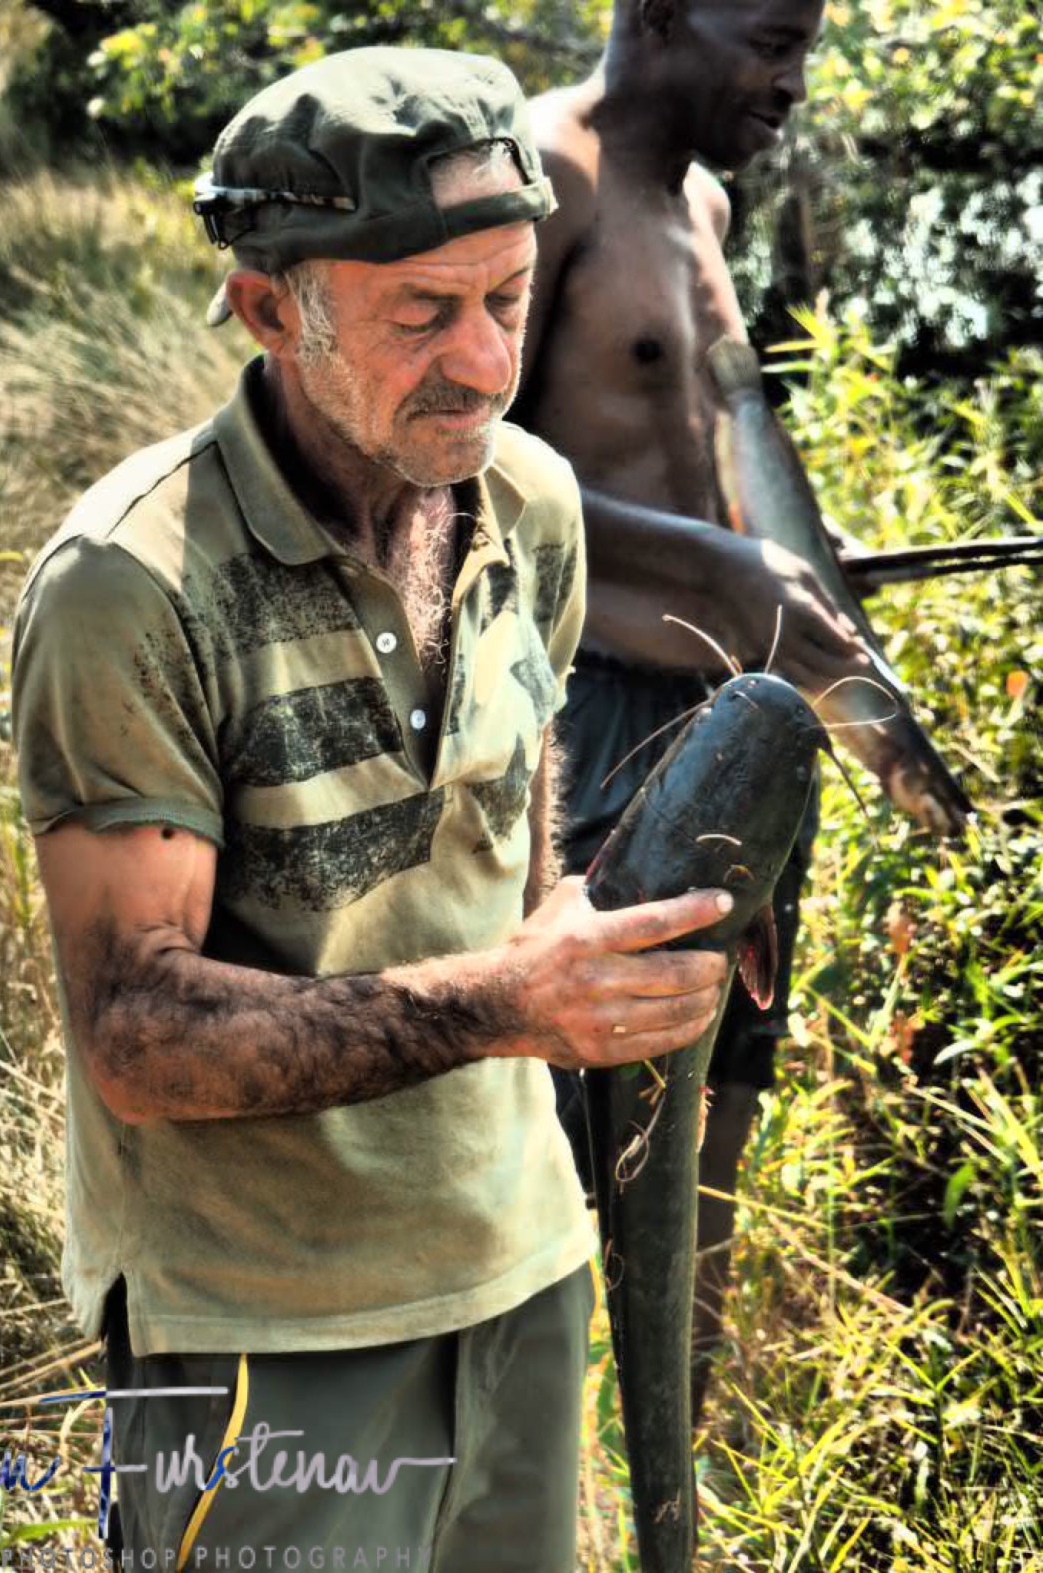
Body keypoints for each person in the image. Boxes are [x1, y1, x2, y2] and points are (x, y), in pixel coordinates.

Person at [11, 47, 735, 1571]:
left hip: (523, 1276)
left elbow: (512, 828)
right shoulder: (129, 587)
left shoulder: (527, 502)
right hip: (265, 1338)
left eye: (510, 300)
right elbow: (135, 1036)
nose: (484, 361)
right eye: (423, 314)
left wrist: (598, 936)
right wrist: (506, 999)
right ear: (274, 308)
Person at [512, 0, 871, 1418]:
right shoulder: (541, 180)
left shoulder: (703, 201)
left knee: (721, 1091)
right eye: (771, 38)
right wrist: (721, 569)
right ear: (658, 12)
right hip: (596, 727)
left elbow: (715, 456)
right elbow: (463, 471)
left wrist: (806, 600)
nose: (793, 79)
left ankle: (675, 1451)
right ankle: (535, 1467)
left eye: (808, 45)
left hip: (748, 719)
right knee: (573, 1117)